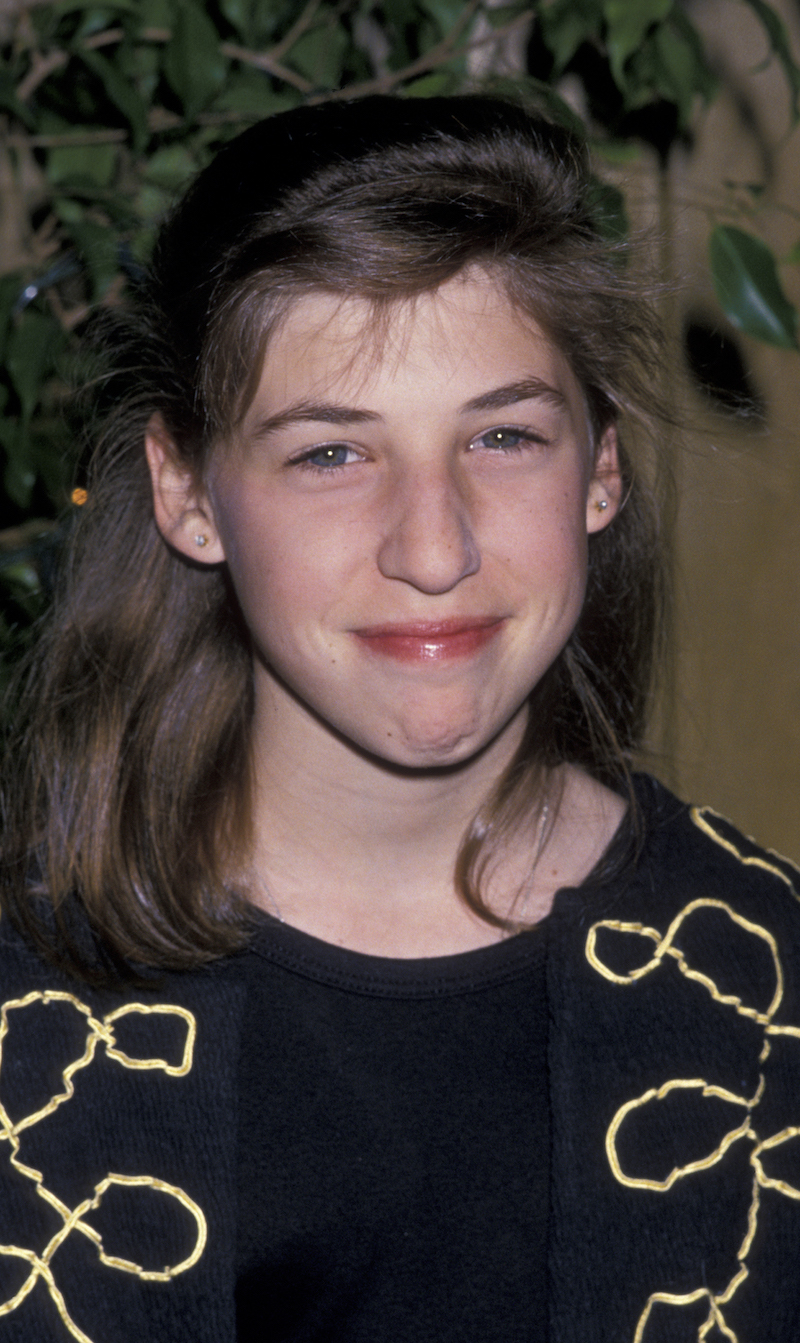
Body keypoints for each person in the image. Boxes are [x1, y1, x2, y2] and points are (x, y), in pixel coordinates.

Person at [1, 94, 799, 1343]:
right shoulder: (22, 996)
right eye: (331, 453)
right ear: (187, 492)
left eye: (503, 435)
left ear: (599, 468)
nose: (433, 549)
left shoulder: (766, 988)